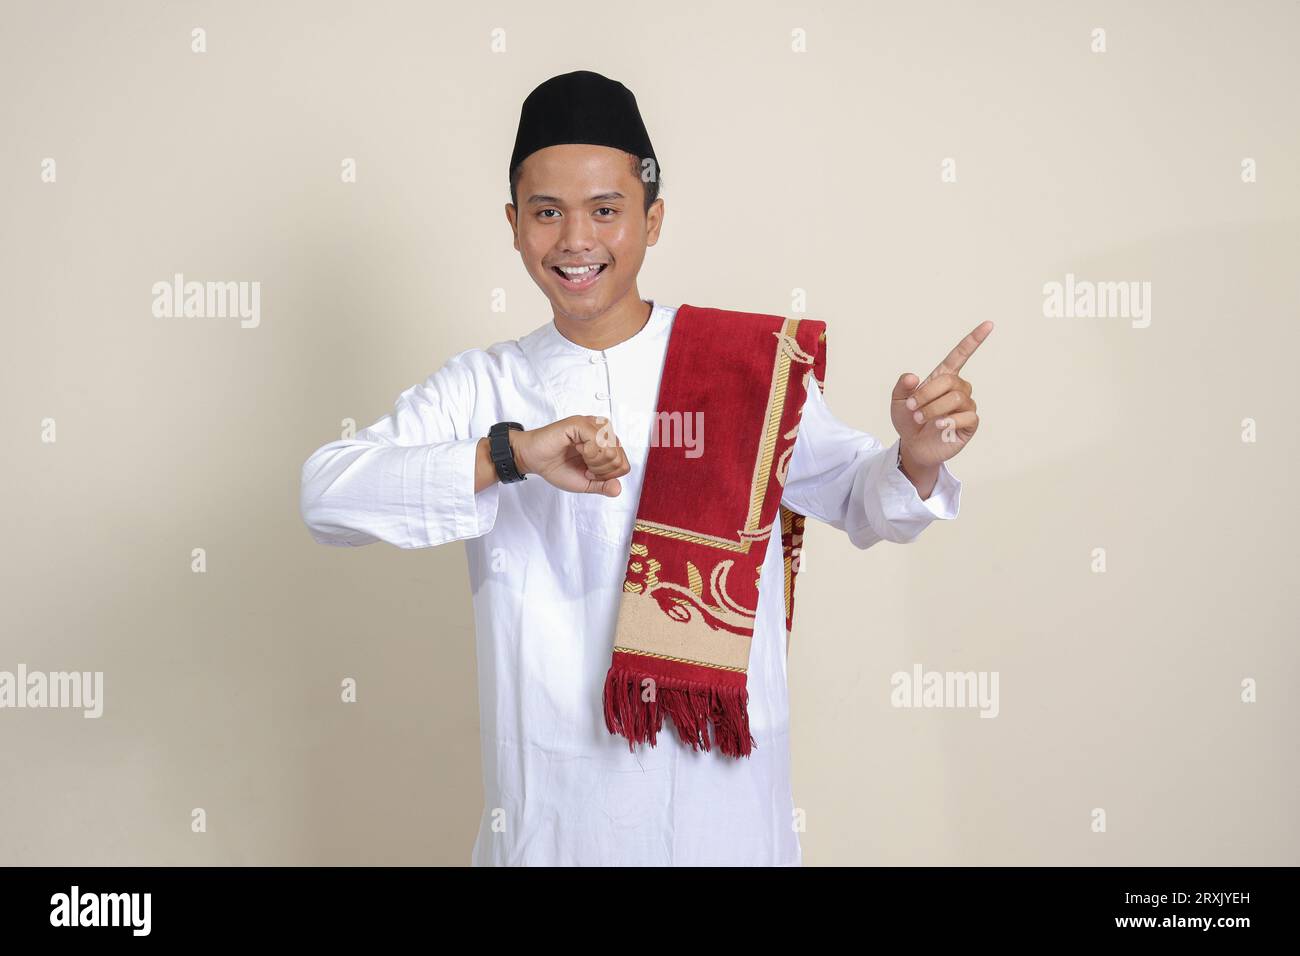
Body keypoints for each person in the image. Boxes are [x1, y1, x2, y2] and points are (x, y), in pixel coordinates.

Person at [299, 70, 990, 866]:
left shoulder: (744, 373)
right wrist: (510, 453)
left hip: (723, 815)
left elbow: (868, 500)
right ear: (514, 224)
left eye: (605, 210)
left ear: (652, 219)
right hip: (552, 816)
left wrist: (917, 454)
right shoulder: (482, 386)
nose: (575, 240)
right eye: (546, 212)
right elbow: (326, 496)